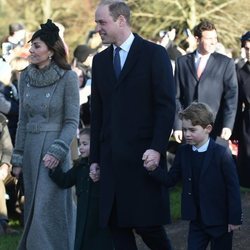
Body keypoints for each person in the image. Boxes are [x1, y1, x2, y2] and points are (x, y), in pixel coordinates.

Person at [89, 1, 176, 250]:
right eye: (97, 23)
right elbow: (98, 114)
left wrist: (157, 148)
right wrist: (95, 158)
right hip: (111, 161)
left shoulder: (154, 54)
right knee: (117, 228)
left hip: (143, 159)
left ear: (121, 20)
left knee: (149, 227)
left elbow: (165, 106)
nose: (98, 28)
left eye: (102, 22)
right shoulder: (101, 61)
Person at [10, 19, 79, 250]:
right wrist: (17, 158)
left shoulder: (68, 78)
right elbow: (22, 121)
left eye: (37, 46)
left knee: (47, 210)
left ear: (51, 50)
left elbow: (71, 122)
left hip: (54, 154)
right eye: (31, 46)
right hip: (30, 152)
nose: (31, 50)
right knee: (32, 208)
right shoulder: (24, 78)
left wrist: (57, 151)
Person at [147, 102, 242, 250]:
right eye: (184, 130)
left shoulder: (222, 153)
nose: (187, 134)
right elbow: (171, 179)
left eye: (192, 130)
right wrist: (154, 169)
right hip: (197, 222)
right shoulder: (183, 152)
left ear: (208, 129)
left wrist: (234, 218)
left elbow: (233, 188)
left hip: (220, 221)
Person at [174, 20, 238, 145]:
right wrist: (178, 125)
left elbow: (231, 98)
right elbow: (175, 97)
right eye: (209, 38)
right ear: (197, 39)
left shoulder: (226, 63)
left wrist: (228, 125)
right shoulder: (181, 62)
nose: (214, 41)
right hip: (189, 131)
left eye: (215, 37)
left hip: (216, 130)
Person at [49, 128, 114, 250]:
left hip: (101, 223)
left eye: (85, 144)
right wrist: (54, 168)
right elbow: (65, 181)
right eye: (79, 143)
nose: (80, 147)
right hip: (83, 221)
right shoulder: (79, 167)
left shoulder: (104, 167)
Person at [233, 31, 250, 187]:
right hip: (248, 126)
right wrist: (235, 132)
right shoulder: (240, 73)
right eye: (247, 48)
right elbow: (237, 104)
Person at [0, 113, 18, 234]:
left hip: (2, 166)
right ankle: (3, 223)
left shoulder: (0, 119)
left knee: (22, 175)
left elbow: (8, 149)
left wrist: (5, 165)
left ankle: (25, 215)